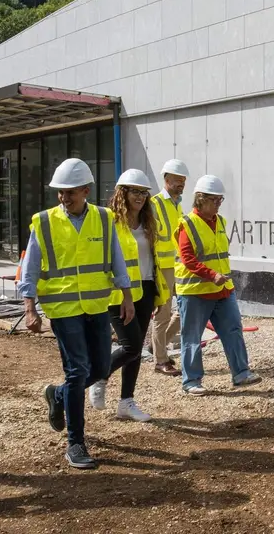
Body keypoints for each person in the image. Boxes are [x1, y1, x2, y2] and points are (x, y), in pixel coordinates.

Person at [18, 158, 134, 470]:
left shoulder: (103, 218)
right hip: (63, 309)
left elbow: (116, 258)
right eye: (59, 193)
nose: (63, 198)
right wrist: (29, 308)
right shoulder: (43, 222)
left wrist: (126, 296)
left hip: (97, 305)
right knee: (77, 370)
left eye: (70, 192)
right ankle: (76, 443)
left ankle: (58, 395)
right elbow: (29, 269)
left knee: (98, 368)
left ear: (85, 190)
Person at [174, 175, 261, 396]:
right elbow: (188, 258)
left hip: (222, 290)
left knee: (233, 330)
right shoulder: (187, 224)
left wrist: (219, 279)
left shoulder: (220, 222)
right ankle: (191, 381)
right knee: (192, 337)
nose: (218, 204)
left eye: (220, 200)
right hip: (195, 292)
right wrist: (211, 275)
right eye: (214, 200)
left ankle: (241, 373)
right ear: (200, 199)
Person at [87, 169, 158, 422]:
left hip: (146, 287)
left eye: (144, 192)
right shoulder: (110, 222)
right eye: (135, 191)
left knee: (136, 349)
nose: (140, 197)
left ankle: (126, 402)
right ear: (122, 193)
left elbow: (154, 259)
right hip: (119, 292)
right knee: (130, 345)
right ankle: (99, 376)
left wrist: (161, 295)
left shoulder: (149, 221)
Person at [150, 158, 188, 376]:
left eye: (183, 180)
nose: (181, 183)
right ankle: (160, 361)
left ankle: (158, 345)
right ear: (166, 179)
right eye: (177, 180)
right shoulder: (155, 204)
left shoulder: (177, 205)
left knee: (185, 310)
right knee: (163, 315)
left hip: (178, 266)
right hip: (163, 268)